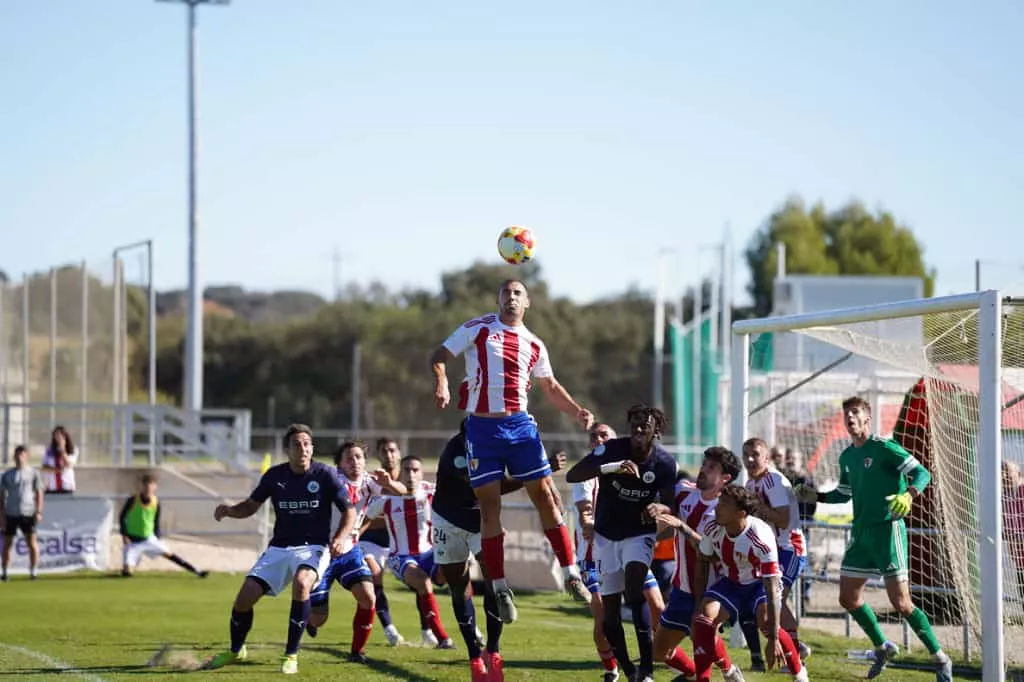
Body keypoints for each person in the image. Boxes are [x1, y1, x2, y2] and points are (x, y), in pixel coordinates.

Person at [430, 278, 592, 624]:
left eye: (518, 293)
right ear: (498, 299)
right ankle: (501, 588)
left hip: (519, 427)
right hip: (482, 430)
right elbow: (439, 355)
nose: (511, 297)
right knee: (490, 507)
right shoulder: (479, 328)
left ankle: (571, 573)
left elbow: (550, 386)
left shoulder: (534, 343)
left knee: (546, 495)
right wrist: (442, 381)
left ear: (527, 302)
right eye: (506, 292)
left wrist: (577, 411)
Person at [794, 395, 953, 681]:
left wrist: (908, 495)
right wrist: (815, 496)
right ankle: (882, 646)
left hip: (887, 531)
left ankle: (940, 658)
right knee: (848, 598)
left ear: (867, 418)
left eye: (855, 412)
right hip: (861, 534)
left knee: (901, 604)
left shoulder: (884, 447)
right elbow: (844, 493)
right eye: (847, 414)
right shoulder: (847, 456)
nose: (850, 417)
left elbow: (922, 473)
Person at [202, 424, 355, 675]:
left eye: (306, 444)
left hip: (313, 547)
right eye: (296, 444)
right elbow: (251, 506)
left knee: (302, 583)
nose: (303, 449)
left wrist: (339, 537)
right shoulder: (274, 476)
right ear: (287, 450)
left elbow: (349, 511)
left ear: (312, 448)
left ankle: (290, 655)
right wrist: (230, 510)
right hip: (279, 548)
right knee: (244, 599)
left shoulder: (325, 474)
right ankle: (236, 651)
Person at [433, 418, 565, 682]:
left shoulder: (496, 445)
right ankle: (474, 655)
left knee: (494, 580)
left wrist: (540, 472)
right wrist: (537, 471)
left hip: (482, 522)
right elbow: (489, 487)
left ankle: (492, 651)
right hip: (448, 522)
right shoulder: (455, 451)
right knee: (458, 588)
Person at [565, 404, 679, 682]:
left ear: (656, 431)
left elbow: (670, 505)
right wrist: (612, 468)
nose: (639, 428)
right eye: (635, 423)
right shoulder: (612, 449)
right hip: (605, 537)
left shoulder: (665, 463)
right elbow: (573, 474)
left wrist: (659, 508)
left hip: (639, 534)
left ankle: (647, 670)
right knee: (610, 613)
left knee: (635, 590)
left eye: (645, 425)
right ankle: (628, 670)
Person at [646, 446, 746, 682]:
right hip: (682, 587)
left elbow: (708, 552)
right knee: (659, 652)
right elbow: (667, 516)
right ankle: (705, 673)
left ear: (725, 478)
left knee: (701, 638)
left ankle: (716, 674)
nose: (703, 470)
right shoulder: (683, 491)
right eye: (704, 464)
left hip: (713, 589)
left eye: (712, 468)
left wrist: (682, 527)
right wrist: (655, 520)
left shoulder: (723, 511)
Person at [691, 485, 808, 682]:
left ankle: (799, 674)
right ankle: (728, 672)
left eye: (724, 504)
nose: (717, 507)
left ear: (741, 513)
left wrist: (773, 638)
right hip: (732, 582)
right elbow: (703, 562)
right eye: (719, 502)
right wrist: (697, 605)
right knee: (703, 620)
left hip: (759, 584)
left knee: (766, 622)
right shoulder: (712, 526)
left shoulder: (760, 536)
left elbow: (771, 587)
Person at [306, 440, 406, 663]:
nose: (355, 462)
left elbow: (403, 492)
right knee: (319, 618)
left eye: (359, 457)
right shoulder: (331, 479)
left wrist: (390, 483)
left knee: (368, 597)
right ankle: (309, 621)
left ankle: (357, 652)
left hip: (350, 550)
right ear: (340, 464)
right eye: (349, 458)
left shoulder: (369, 482)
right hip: (321, 551)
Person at [365, 454, 455, 649]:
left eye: (415, 470)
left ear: (422, 474)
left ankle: (472, 628)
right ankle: (442, 638)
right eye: (406, 470)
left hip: (429, 554)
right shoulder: (386, 500)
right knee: (423, 582)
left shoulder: (431, 492)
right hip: (400, 557)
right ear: (400, 473)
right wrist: (352, 538)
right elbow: (364, 519)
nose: (411, 474)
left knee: (458, 572)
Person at [741, 438, 810, 665]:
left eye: (755, 454)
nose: (750, 459)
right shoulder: (750, 484)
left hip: (790, 548)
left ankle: (795, 657)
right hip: (770, 550)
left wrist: (755, 506)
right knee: (765, 605)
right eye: (746, 455)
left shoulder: (773, 481)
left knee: (774, 602)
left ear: (767, 457)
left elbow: (783, 519)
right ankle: (795, 647)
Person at [357, 436, 407, 645]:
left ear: (399, 453)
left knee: (421, 579)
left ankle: (428, 630)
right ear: (378, 455)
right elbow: (367, 516)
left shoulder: (409, 479)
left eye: (392, 450)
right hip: (372, 541)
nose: (389, 455)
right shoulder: (372, 482)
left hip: (401, 543)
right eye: (384, 451)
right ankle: (389, 628)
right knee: (375, 575)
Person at [119, 473, 208, 578]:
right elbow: (122, 517)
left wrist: (157, 537)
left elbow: (156, 521)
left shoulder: (156, 502)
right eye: (146, 486)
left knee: (169, 554)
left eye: (151, 486)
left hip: (148, 539)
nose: (148, 489)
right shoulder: (133, 499)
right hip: (132, 542)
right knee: (127, 573)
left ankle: (197, 571)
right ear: (142, 486)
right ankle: (130, 565)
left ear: (155, 487)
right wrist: (124, 535)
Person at [0, 445, 44, 581]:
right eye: (18, 455)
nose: (20, 458)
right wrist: (1, 516)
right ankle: (5, 572)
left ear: (27, 457)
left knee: (32, 543)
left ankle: (33, 572)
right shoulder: (7, 475)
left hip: (28, 512)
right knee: (7, 543)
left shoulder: (33, 473)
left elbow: (39, 493)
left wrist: (38, 511)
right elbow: (1, 496)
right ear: (14, 457)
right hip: (11, 513)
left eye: (22, 455)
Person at [41, 426, 77, 495]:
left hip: (67, 487)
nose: (58, 437)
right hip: (51, 487)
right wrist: (57, 470)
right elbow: (43, 467)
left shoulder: (73, 449)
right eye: (56, 435)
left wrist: (63, 451)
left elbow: (68, 465)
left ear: (65, 436)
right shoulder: (48, 450)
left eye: (60, 435)